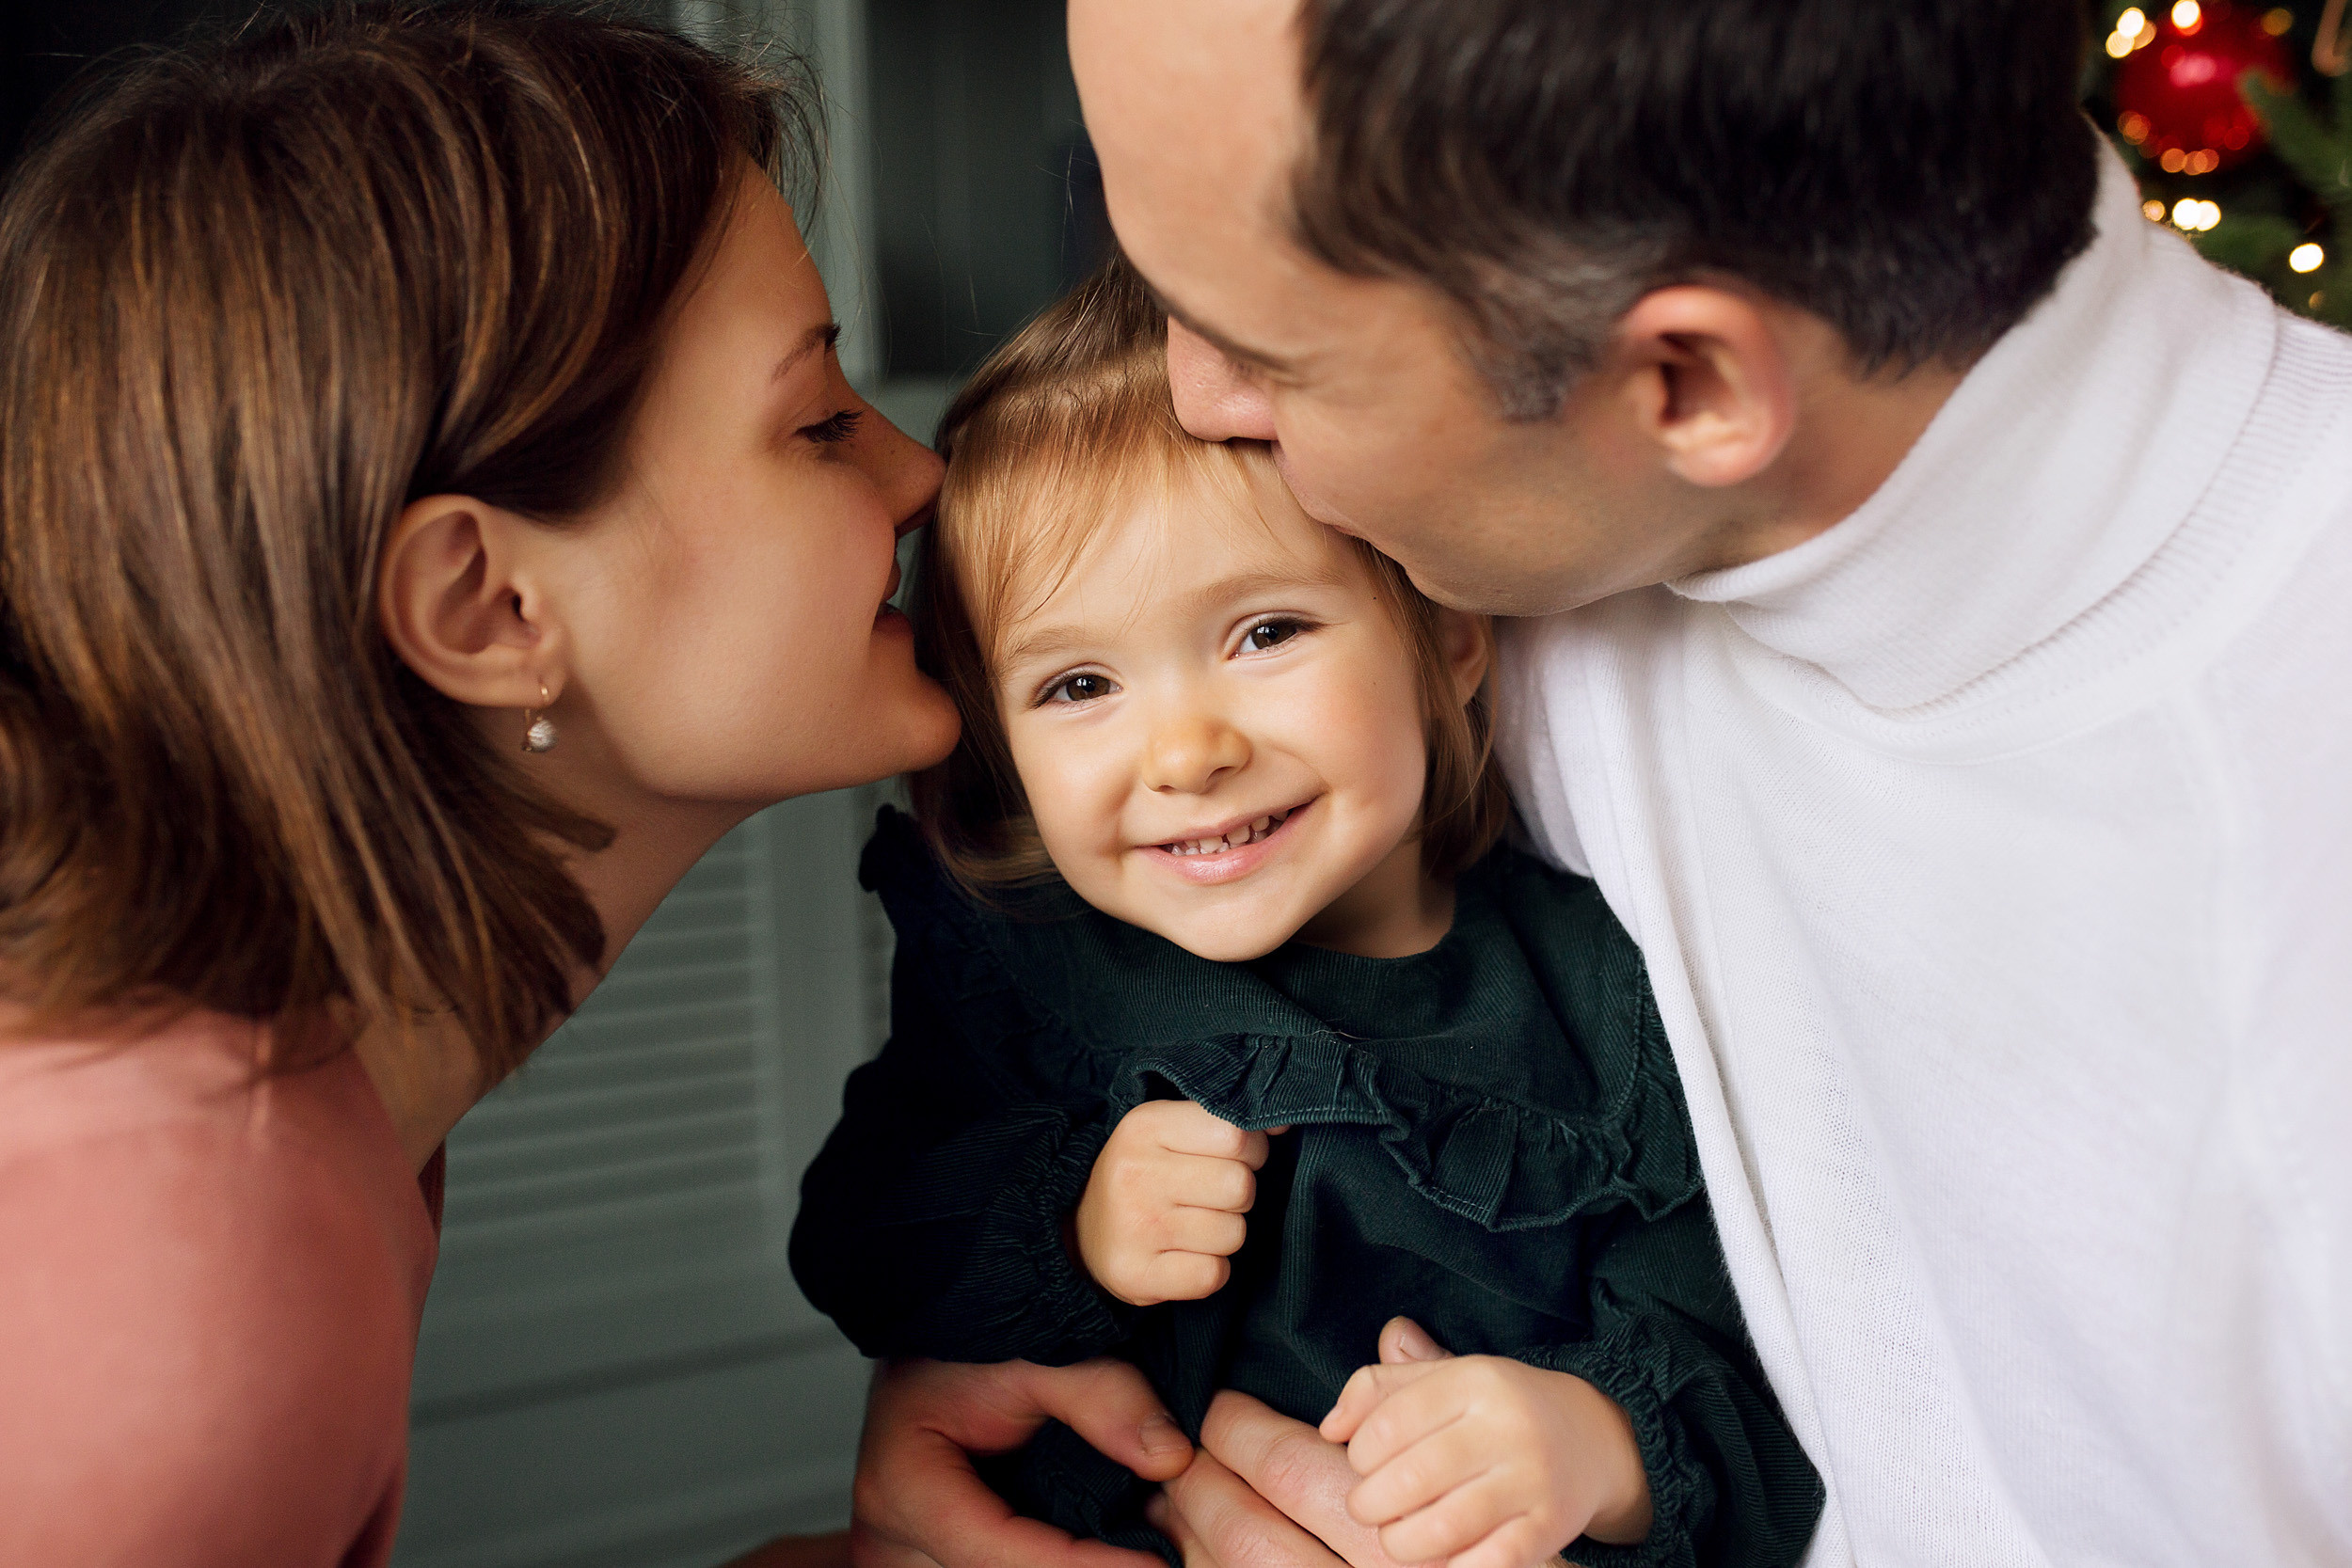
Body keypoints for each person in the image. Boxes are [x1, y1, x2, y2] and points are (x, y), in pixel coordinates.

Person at [847, 2, 2352, 1565]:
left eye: (1272, 351)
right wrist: (984, 1351)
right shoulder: (1538, 536)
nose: (1198, 406)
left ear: (1689, 390)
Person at [0, 5, 959, 1562]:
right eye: (817, 424)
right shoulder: (181, 1257)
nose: (920, 474)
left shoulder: (297, 1082)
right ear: (488, 608)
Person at [788, 259, 1824, 1568]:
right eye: (1078, 686)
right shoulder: (1032, 969)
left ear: (1447, 643)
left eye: (1266, 633)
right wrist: (1073, 1220)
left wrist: (1595, 1446)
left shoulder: (1601, 999)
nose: (1183, 752)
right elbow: (859, 1242)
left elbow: (1758, 1369)